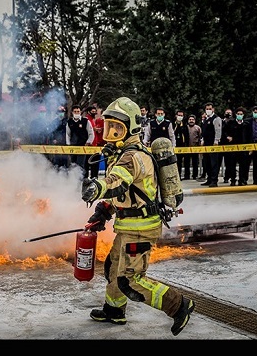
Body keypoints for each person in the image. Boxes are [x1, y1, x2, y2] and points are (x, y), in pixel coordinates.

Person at [80, 96, 195, 336]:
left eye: (117, 127)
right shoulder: (122, 153)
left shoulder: (133, 156)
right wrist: (104, 211)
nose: (111, 132)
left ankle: (179, 305)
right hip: (128, 225)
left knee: (131, 280)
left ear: (132, 127)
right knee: (113, 268)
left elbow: (116, 183)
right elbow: (126, 194)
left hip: (141, 228)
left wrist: (97, 187)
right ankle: (114, 310)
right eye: (109, 126)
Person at [66, 104, 94, 176]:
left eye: (78, 111)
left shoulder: (86, 121)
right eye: (75, 111)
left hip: (83, 146)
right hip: (72, 147)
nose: (76, 113)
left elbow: (91, 133)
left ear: (80, 112)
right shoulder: (69, 122)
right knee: (73, 164)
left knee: (80, 165)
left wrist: (88, 142)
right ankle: (72, 179)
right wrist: (68, 144)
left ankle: (80, 180)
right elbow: (68, 134)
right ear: (72, 112)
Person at [200, 102, 223, 187]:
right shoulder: (205, 119)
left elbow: (218, 130)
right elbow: (203, 131)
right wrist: (202, 140)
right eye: (207, 109)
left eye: (210, 109)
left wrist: (216, 141)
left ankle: (214, 180)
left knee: (214, 163)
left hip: (213, 144)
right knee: (207, 163)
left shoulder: (216, 119)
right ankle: (209, 179)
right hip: (206, 144)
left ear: (213, 109)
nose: (208, 110)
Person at [245, 105, 257, 185]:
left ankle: (255, 179)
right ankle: (244, 179)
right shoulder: (247, 121)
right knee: (247, 163)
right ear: (252, 112)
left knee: (256, 163)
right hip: (250, 143)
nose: (256, 113)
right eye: (254, 112)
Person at [84, 106, 102, 178]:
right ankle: (87, 179)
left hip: (95, 144)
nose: (94, 113)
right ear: (88, 112)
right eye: (93, 111)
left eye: (95, 111)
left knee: (95, 163)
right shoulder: (87, 119)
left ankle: (94, 178)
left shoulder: (93, 120)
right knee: (87, 163)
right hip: (89, 145)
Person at [183, 114, 202, 180]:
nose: (191, 121)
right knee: (186, 163)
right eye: (190, 119)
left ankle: (195, 175)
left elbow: (200, 137)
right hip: (186, 148)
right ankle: (187, 176)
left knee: (195, 162)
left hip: (195, 148)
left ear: (195, 120)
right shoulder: (185, 127)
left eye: (192, 120)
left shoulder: (198, 128)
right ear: (188, 120)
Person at [173, 109, 189, 179]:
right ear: (176, 116)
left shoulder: (184, 125)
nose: (180, 117)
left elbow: (187, 135)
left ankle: (186, 175)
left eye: (181, 115)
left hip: (183, 145)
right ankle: (177, 175)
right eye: (179, 115)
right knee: (177, 162)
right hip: (175, 145)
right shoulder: (173, 124)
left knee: (185, 162)